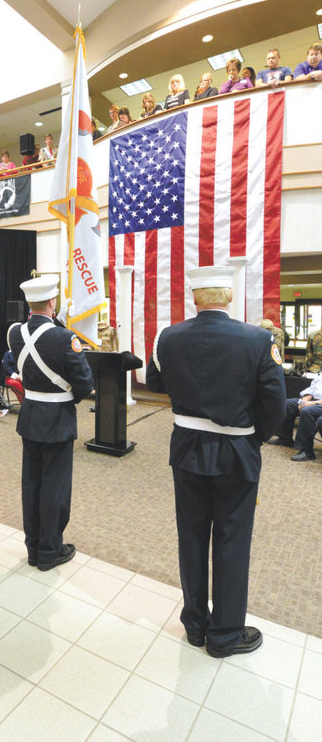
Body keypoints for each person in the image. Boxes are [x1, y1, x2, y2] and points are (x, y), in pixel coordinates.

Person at [146, 265, 286, 657]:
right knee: (231, 539)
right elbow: (274, 404)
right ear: (228, 297)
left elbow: (156, 383)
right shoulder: (259, 339)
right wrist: (251, 438)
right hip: (237, 453)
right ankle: (224, 634)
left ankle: (195, 625)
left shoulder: (168, 337)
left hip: (187, 447)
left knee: (190, 537)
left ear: (195, 298)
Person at [8, 274, 94, 571]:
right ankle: (49, 550)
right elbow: (84, 383)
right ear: (52, 302)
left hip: (30, 415)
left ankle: (33, 547)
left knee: (32, 484)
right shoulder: (63, 337)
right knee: (55, 487)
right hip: (57, 418)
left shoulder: (14, 333)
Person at [271, 372, 322, 462]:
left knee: (307, 411)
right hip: (314, 400)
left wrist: (311, 403)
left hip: (319, 403)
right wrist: (303, 401)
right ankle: (285, 438)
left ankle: (307, 451)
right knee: (287, 404)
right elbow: (313, 387)